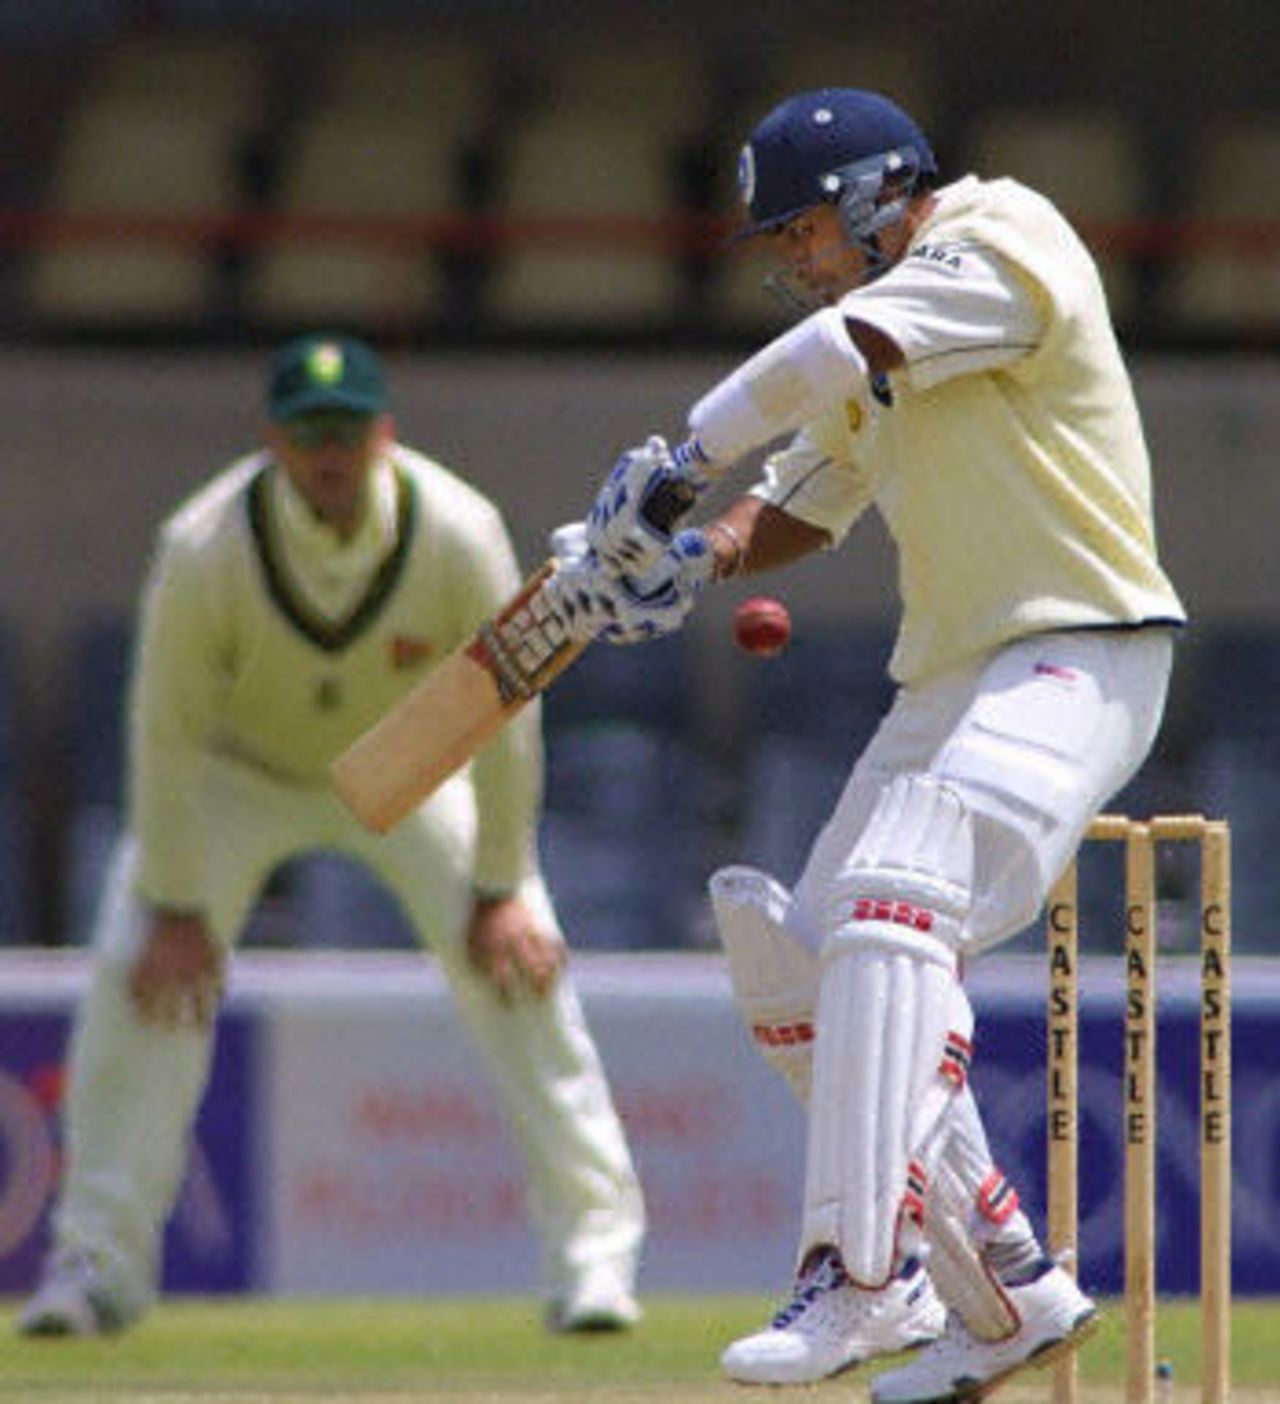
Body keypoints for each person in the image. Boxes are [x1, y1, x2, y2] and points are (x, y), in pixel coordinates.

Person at [548, 88, 1185, 1402]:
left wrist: (678, 460)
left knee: (897, 906)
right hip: (951, 679)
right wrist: (685, 556)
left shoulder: (1004, 242)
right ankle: (1003, 1292)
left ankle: (859, 1272)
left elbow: (826, 363)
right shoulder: (871, 338)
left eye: (800, 233)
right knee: (811, 962)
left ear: (874, 197)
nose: (789, 261)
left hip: (1084, 650)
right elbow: (809, 495)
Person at [18, 333, 645, 1339]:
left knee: (523, 971)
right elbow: (163, 733)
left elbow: (508, 706)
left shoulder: (455, 527)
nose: (330, 455)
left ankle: (594, 1262)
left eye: (347, 432)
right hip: (236, 774)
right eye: (309, 434)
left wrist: (497, 888)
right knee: (137, 977)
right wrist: (175, 908)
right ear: (273, 440)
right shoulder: (203, 545)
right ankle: (95, 1268)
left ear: (382, 434)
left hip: (409, 761)